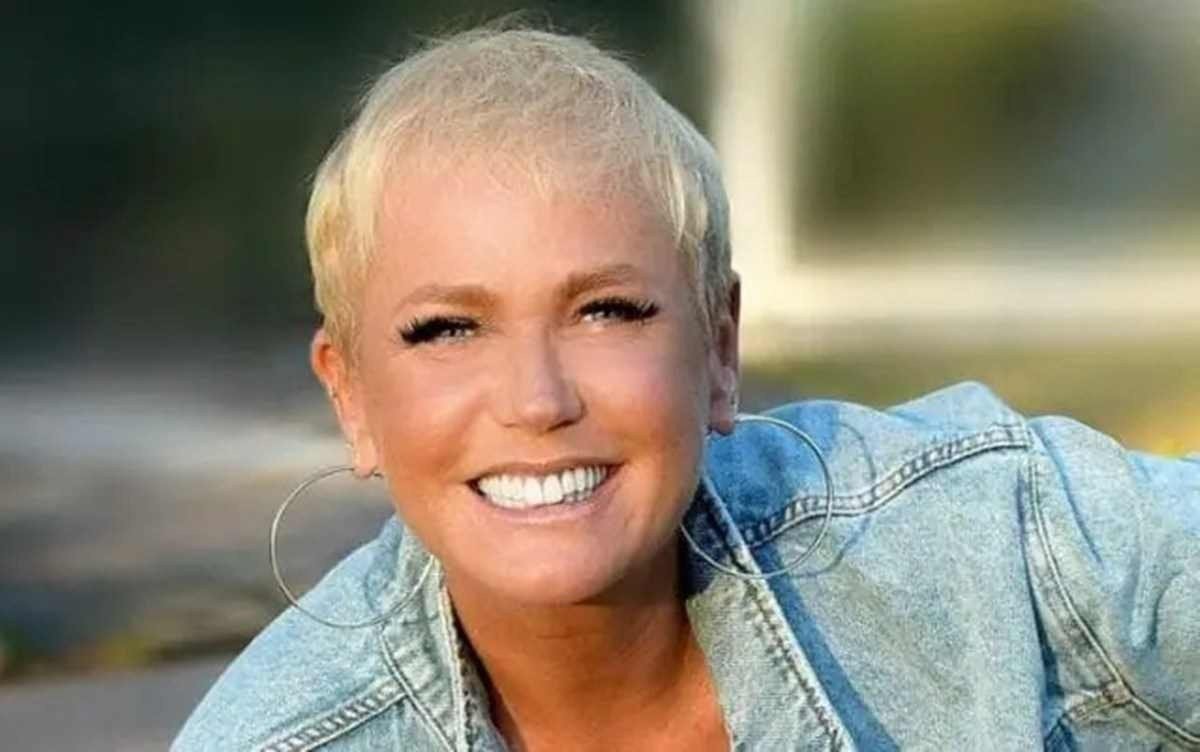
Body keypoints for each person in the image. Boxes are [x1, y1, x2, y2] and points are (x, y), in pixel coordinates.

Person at [173, 27, 1200, 751]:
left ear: (718, 348)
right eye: (448, 328)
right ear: (350, 395)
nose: (537, 400)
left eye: (606, 310)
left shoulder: (995, 538)